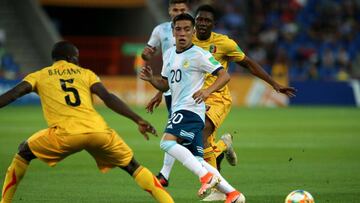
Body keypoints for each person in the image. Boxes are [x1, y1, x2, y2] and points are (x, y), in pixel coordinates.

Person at [0, 41, 174, 203]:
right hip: (99, 131)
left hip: (65, 134)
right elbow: (107, 97)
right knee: (133, 166)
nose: (78, 61)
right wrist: (138, 119)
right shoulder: (86, 73)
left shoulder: (39, 75)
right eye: (76, 58)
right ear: (70, 58)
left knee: (24, 151)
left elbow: (14, 93)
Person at [140, 13, 245, 203]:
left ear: (193, 31)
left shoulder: (199, 54)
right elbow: (166, 84)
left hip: (190, 109)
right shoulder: (170, 54)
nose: (182, 33)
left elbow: (224, 76)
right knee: (199, 160)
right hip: (181, 108)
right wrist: (152, 81)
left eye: (187, 29)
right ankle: (234, 195)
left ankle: (206, 178)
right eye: (178, 29)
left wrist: (207, 91)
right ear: (172, 32)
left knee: (166, 143)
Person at [141, 0, 190, 186]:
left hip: (192, 87)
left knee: (178, 132)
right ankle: (165, 174)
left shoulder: (193, 30)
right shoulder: (160, 30)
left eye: (182, 9)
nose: (178, 12)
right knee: (176, 131)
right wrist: (146, 55)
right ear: (169, 10)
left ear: (188, 10)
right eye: (175, 9)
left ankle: (165, 175)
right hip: (172, 87)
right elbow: (150, 55)